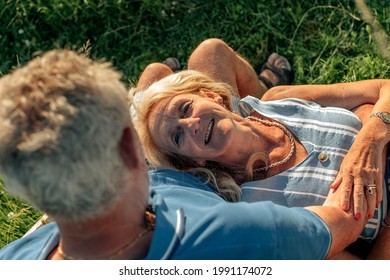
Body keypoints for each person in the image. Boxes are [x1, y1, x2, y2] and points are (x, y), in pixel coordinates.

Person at [0, 49, 369, 260]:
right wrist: (371, 121)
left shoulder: (16, 259)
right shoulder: (233, 231)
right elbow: (345, 222)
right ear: (130, 149)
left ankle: (262, 93)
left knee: (158, 73)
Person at [131, 39, 390, 257]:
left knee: (200, 56)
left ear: (210, 95)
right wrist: (366, 114)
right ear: (192, 161)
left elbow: (384, 88)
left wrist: (370, 141)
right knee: (155, 77)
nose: (191, 126)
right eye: (177, 137)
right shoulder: (257, 211)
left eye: (186, 108)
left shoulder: (280, 100)